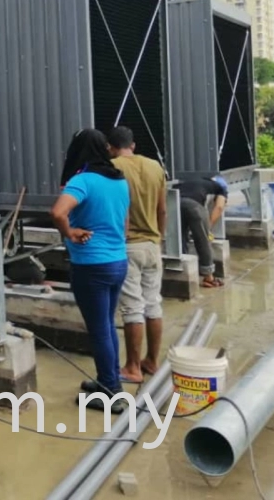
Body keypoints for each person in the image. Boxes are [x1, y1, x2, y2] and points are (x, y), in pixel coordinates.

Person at [51, 129, 130, 409]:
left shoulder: (82, 180)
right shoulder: (119, 180)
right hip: (118, 262)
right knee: (107, 325)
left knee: (99, 330)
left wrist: (70, 232)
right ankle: (107, 379)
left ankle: (111, 391)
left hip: (91, 266)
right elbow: (125, 223)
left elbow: (58, 212)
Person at [107, 126, 166, 384]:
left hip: (128, 246)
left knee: (132, 308)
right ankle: (152, 361)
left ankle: (132, 367)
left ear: (111, 146)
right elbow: (162, 209)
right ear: (133, 144)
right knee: (153, 304)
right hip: (153, 244)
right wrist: (158, 238)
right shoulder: (155, 167)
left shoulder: (113, 168)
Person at [177, 175, 228, 287]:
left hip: (175, 202)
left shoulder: (196, 181)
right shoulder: (221, 187)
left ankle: (182, 267)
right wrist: (208, 227)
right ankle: (208, 277)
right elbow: (219, 207)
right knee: (202, 240)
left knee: (180, 237)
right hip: (194, 206)